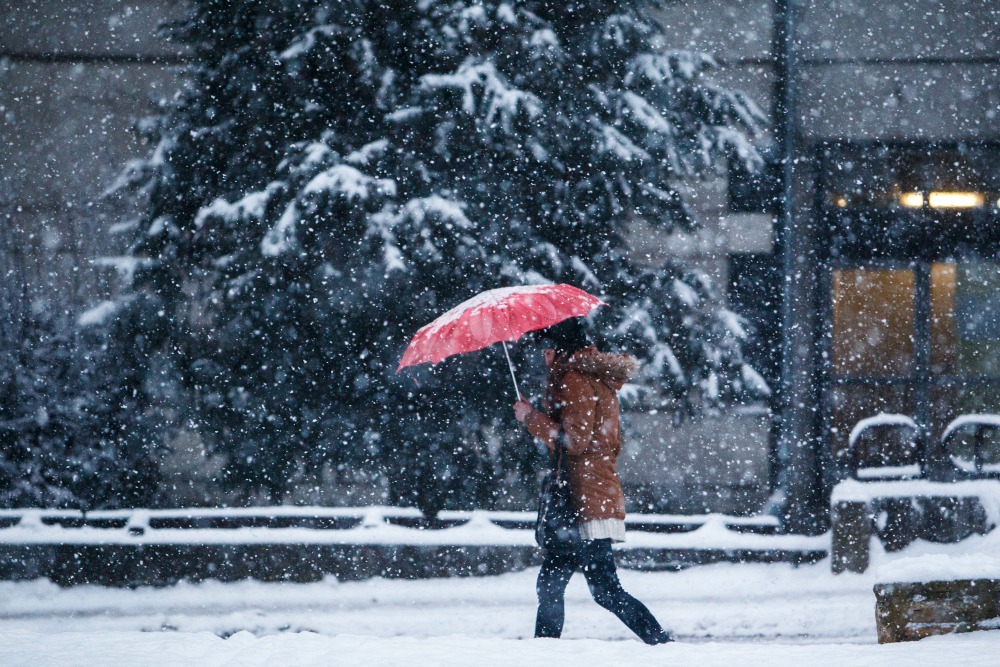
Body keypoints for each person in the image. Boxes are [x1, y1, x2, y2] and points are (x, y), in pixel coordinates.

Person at [513, 318, 672, 644]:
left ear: (560, 349)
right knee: (560, 585)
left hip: (585, 501)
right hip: (582, 497)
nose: (544, 357)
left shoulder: (575, 379)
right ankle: (544, 653)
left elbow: (574, 441)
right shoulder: (582, 376)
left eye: (547, 349)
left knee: (599, 590)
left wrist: (531, 418)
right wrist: (539, 415)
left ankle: (661, 644)